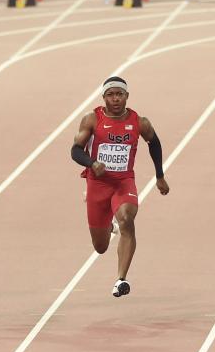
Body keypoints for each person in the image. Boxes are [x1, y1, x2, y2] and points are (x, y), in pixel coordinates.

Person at [70, 76, 170, 297]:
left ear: (127, 96)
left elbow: (154, 143)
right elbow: (75, 150)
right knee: (100, 247)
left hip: (123, 183)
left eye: (119, 94)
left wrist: (159, 176)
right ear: (103, 97)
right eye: (111, 95)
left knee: (126, 219)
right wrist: (92, 163)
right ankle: (108, 225)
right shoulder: (92, 119)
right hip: (97, 184)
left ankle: (120, 280)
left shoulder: (139, 122)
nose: (115, 99)